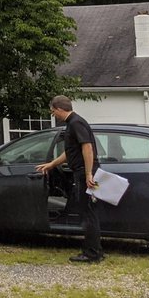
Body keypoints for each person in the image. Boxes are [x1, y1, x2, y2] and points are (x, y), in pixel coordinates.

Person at [36, 95, 104, 263]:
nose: (54, 115)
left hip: (84, 173)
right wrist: (52, 164)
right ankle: (96, 250)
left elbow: (87, 147)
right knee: (88, 212)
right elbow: (71, 151)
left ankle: (92, 253)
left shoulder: (76, 123)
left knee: (88, 212)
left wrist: (88, 174)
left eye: (53, 112)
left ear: (59, 109)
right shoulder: (73, 123)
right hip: (82, 172)